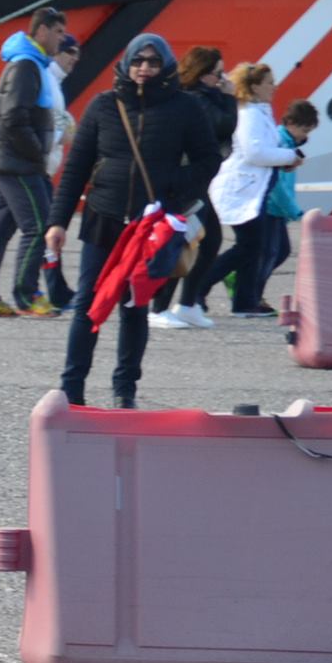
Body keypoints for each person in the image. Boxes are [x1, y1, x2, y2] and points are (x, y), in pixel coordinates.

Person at [44, 35, 220, 408]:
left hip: (148, 228)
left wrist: (171, 188)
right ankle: (71, 386)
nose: (145, 68)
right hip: (102, 218)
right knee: (88, 304)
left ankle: (125, 389)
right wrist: (56, 222)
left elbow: (208, 161)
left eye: (153, 62)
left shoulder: (184, 107)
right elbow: (76, 168)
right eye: (138, 60)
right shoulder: (104, 105)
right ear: (126, 63)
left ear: (166, 66)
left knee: (134, 305)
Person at [183, 63, 304, 320]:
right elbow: (254, 152)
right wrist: (289, 155)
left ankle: (243, 301)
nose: (274, 86)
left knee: (253, 246)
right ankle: (202, 289)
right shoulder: (248, 113)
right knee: (249, 246)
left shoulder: (260, 111)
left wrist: (286, 160)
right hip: (241, 189)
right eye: (269, 82)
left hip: (254, 190)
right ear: (255, 86)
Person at [0, 7, 66, 318]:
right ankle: (27, 295)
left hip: (10, 160)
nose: (61, 40)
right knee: (38, 228)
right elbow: (14, 116)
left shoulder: (28, 63)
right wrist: (37, 152)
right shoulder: (27, 66)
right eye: (59, 32)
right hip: (20, 163)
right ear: (42, 31)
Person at [150, 46, 237, 328]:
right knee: (179, 241)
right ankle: (157, 308)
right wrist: (230, 98)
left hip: (198, 182)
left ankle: (188, 304)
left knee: (210, 240)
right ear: (202, 74)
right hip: (184, 182)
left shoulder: (205, 97)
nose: (221, 79)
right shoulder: (196, 99)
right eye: (217, 73)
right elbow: (222, 126)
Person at [257, 100, 318, 309]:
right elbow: (277, 185)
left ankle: (251, 289)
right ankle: (253, 294)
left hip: (275, 209)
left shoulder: (289, 144)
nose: (305, 135)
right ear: (290, 122)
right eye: (303, 129)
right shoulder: (282, 144)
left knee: (278, 251)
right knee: (270, 253)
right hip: (270, 207)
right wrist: (294, 211)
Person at [41, 33, 81, 310]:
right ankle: (53, 290)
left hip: (42, 165)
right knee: (43, 232)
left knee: (1, 232)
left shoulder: (53, 81)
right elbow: (48, 126)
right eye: (71, 53)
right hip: (38, 166)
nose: (74, 60)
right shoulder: (48, 80)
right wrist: (65, 130)